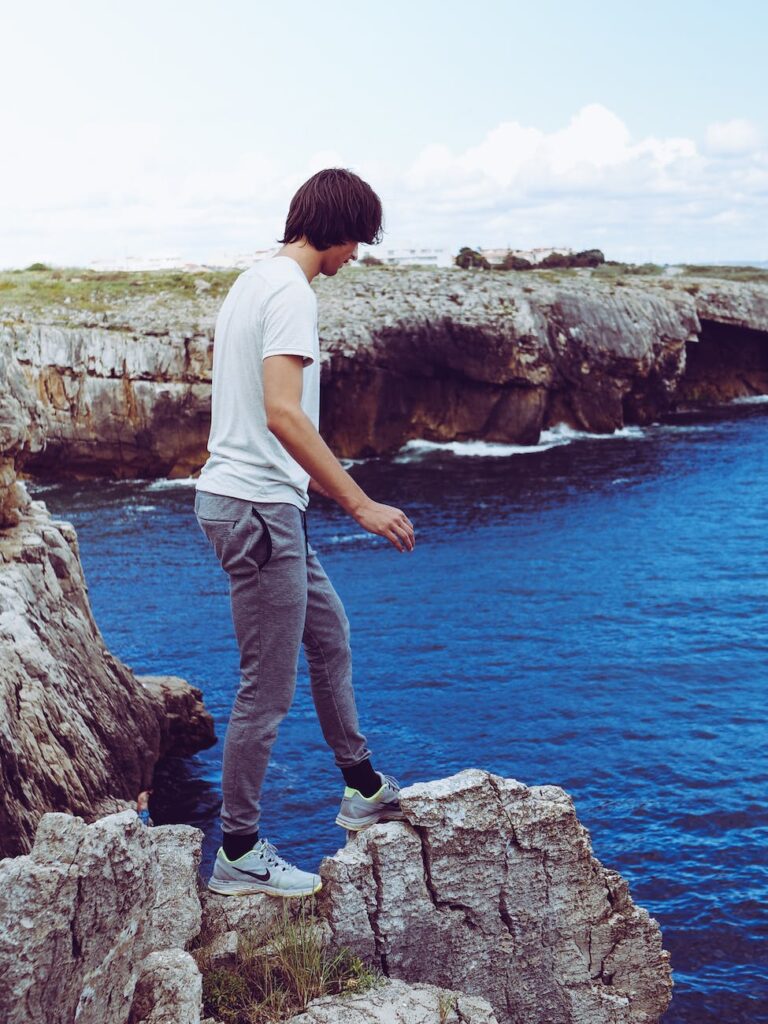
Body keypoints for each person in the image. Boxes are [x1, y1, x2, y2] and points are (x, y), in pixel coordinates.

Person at [194, 167, 416, 898]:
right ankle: (238, 850)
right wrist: (360, 504)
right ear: (340, 228)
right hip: (258, 512)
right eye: (359, 240)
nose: (358, 255)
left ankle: (361, 783)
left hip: (262, 507)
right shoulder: (292, 293)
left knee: (331, 638)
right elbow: (285, 413)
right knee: (266, 690)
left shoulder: (253, 281)